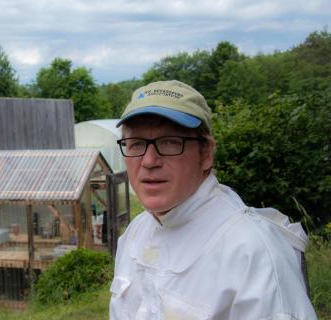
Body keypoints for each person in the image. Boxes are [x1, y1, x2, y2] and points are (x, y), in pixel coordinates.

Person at [109, 80, 317, 319]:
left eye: (170, 142)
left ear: (206, 153)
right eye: (136, 144)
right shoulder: (135, 234)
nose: (148, 161)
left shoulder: (253, 252)